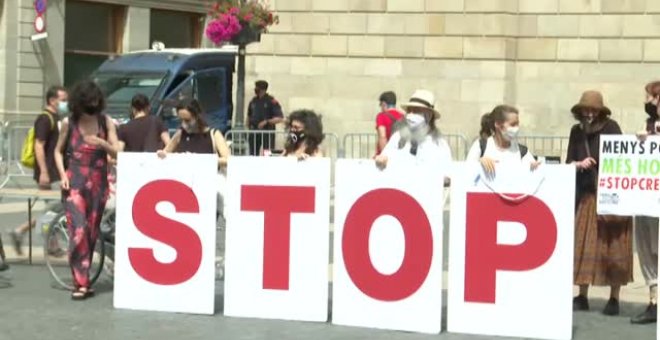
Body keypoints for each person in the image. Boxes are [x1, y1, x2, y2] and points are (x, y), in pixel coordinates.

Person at [568, 90, 633, 316]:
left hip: (610, 196)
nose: (589, 113)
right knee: (584, 245)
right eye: (585, 109)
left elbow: (624, 159)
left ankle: (614, 298)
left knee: (614, 247)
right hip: (587, 195)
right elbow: (569, 161)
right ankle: (582, 294)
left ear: (600, 111)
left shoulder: (612, 128)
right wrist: (579, 163)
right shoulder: (576, 132)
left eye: (593, 109)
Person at [54, 80, 119, 300]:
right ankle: (80, 283)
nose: (92, 105)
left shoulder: (105, 122)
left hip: (98, 183)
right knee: (79, 230)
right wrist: (62, 175)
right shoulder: (68, 123)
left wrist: (103, 144)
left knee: (91, 233)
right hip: (74, 182)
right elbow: (57, 151)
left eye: (95, 101)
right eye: (88, 102)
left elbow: (117, 152)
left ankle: (83, 280)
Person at [9, 86, 69, 256]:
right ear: (52, 100)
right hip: (49, 173)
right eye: (63, 99)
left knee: (54, 209)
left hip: (56, 172)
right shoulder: (45, 118)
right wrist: (43, 171)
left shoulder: (58, 117)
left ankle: (22, 232)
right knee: (54, 209)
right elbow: (39, 145)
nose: (66, 103)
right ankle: (48, 243)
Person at [630, 81, 660, 324]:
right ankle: (653, 302)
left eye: (651, 97)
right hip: (646, 197)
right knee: (646, 249)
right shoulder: (648, 125)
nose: (648, 102)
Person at [375, 89, 452, 171]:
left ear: (428, 115)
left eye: (416, 110)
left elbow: (446, 173)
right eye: (409, 110)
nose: (411, 114)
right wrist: (381, 161)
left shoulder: (439, 144)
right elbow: (385, 158)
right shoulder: (398, 137)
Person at [466, 105, 540, 174]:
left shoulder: (522, 151)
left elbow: (535, 172)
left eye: (517, 124)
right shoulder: (481, 146)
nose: (517, 128)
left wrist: (535, 167)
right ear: (498, 125)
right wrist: (479, 162)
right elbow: (466, 171)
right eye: (513, 124)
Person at [247, 80, 284, 155]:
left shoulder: (271, 101)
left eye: (257, 88)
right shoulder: (253, 101)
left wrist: (266, 122)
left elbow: (279, 118)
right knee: (253, 154)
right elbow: (249, 116)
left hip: (267, 132)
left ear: (263, 89)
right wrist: (248, 127)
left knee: (267, 153)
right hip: (254, 132)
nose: (255, 90)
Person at [375, 91, 404, 155]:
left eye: (380, 105)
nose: (381, 108)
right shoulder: (402, 116)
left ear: (384, 104)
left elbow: (382, 136)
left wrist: (384, 154)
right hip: (399, 154)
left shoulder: (381, 116)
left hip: (386, 154)